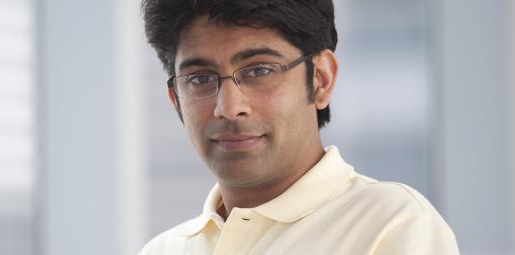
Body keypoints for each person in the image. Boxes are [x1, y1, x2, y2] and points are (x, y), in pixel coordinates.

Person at [139, 0, 460, 254]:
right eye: (200, 79)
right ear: (176, 99)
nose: (229, 108)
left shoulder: (390, 225)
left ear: (320, 79)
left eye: (259, 71)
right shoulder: (163, 249)